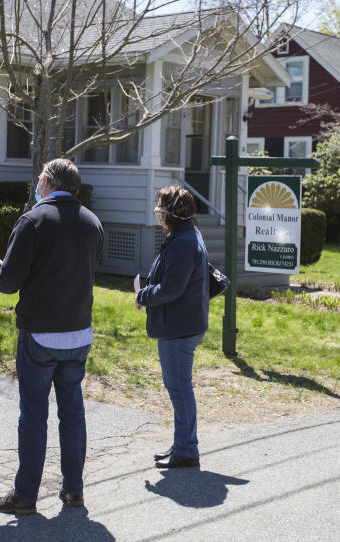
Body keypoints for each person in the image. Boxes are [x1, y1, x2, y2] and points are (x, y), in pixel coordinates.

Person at [0, 159, 104, 515]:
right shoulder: (92, 222)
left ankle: (25, 495)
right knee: (72, 414)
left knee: (34, 415)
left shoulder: (33, 221)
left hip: (40, 334)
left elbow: (8, 283)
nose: (37, 182)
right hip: (79, 331)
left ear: (49, 182)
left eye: (40, 177)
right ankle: (74, 489)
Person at [136, 186, 209, 469]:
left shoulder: (182, 242)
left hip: (179, 326)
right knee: (179, 387)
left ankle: (187, 449)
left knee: (179, 389)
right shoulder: (185, 235)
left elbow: (171, 288)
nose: (158, 214)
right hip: (183, 321)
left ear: (173, 213)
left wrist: (142, 296)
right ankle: (182, 443)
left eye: (160, 209)